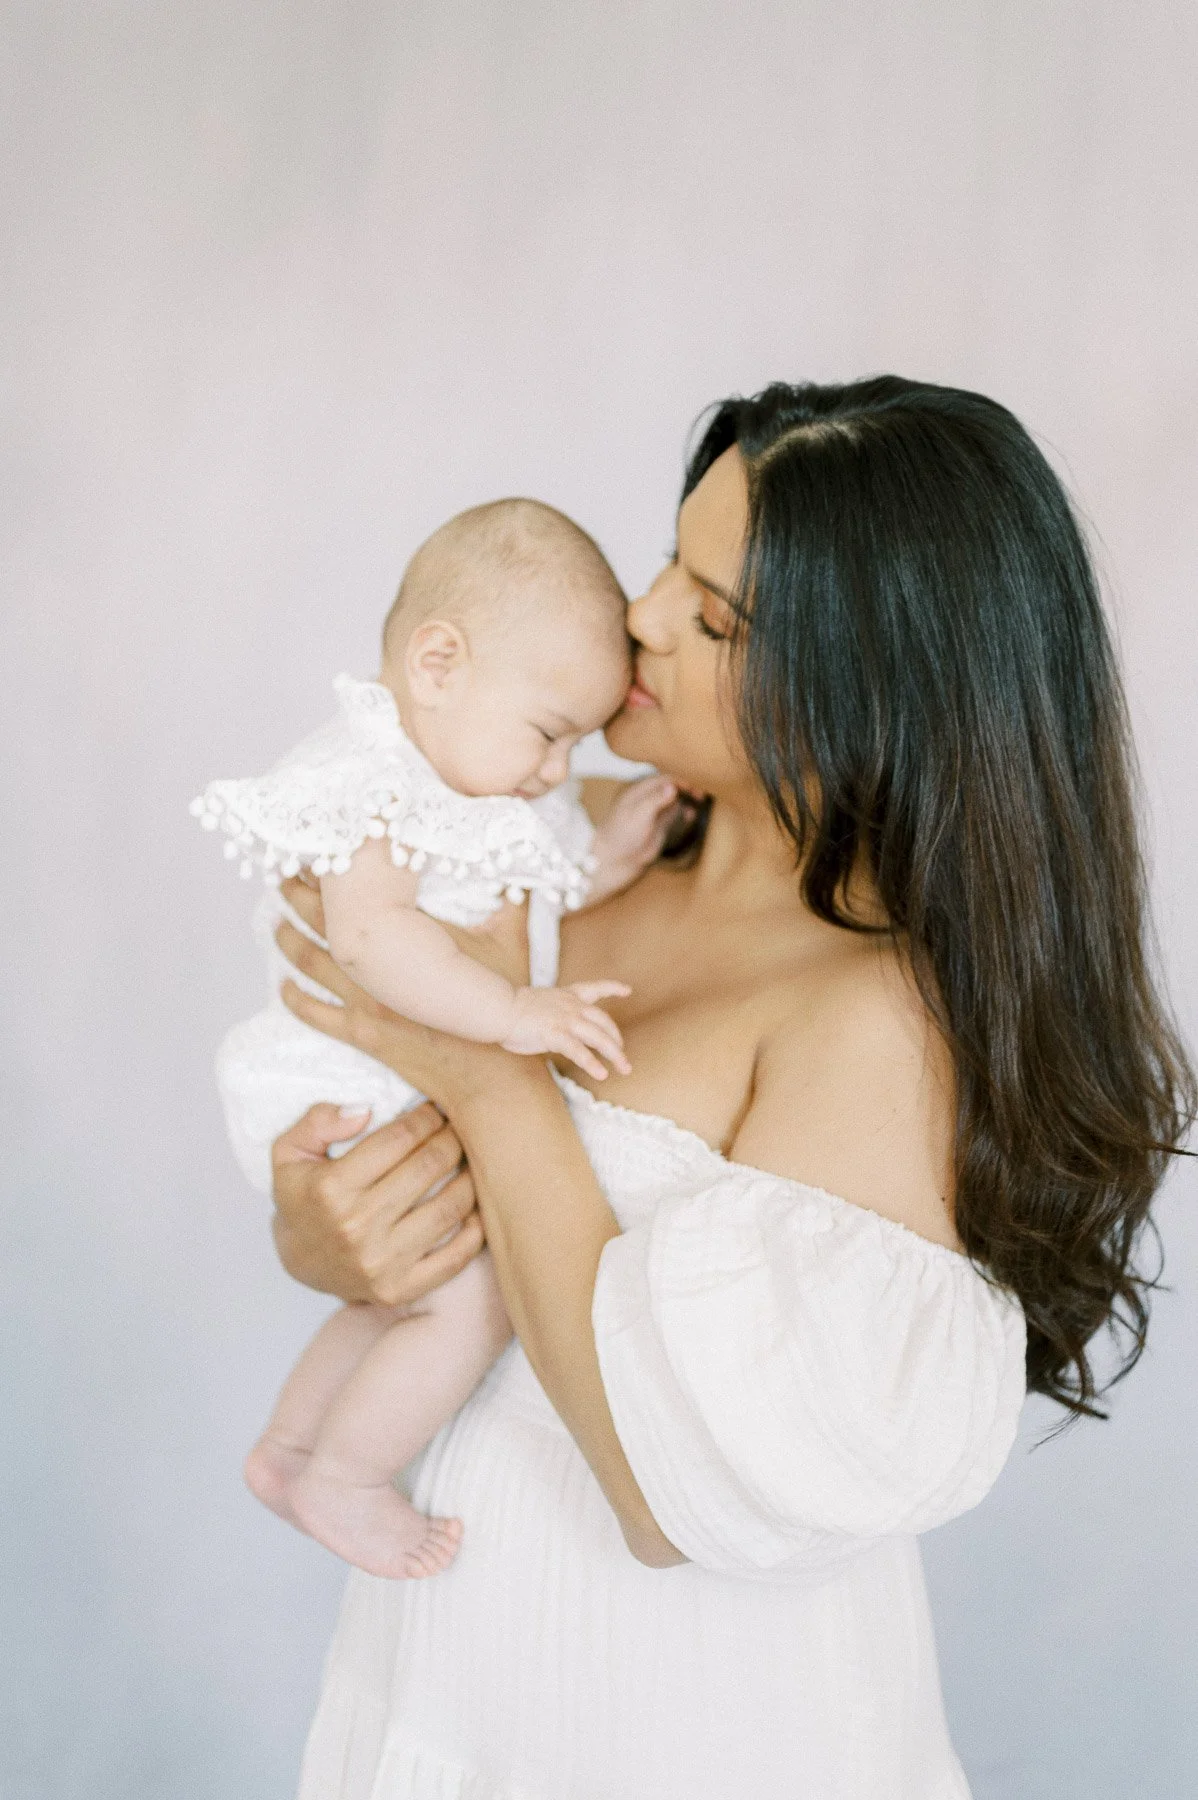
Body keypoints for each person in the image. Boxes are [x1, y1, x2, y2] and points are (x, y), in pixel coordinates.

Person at [267, 379, 1194, 1800]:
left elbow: (661, 1495)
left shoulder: (879, 1019)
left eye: (708, 616)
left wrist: (489, 1077)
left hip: (681, 1730)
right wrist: (327, 1226)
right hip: (445, 1672)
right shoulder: (540, 839)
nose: (634, 616)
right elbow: (376, 1134)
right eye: (666, 563)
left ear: (867, 690)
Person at [193, 498, 679, 1582]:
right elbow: (372, 939)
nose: (558, 772)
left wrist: (612, 865)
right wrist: (514, 1019)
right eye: (550, 733)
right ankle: (347, 1480)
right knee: (472, 1304)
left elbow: (518, 904)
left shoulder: (473, 785)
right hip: (339, 1077)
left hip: (385, 1078)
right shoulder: (376, 782)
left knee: (406, 1294)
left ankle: (287, 1448)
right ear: (438, 663)